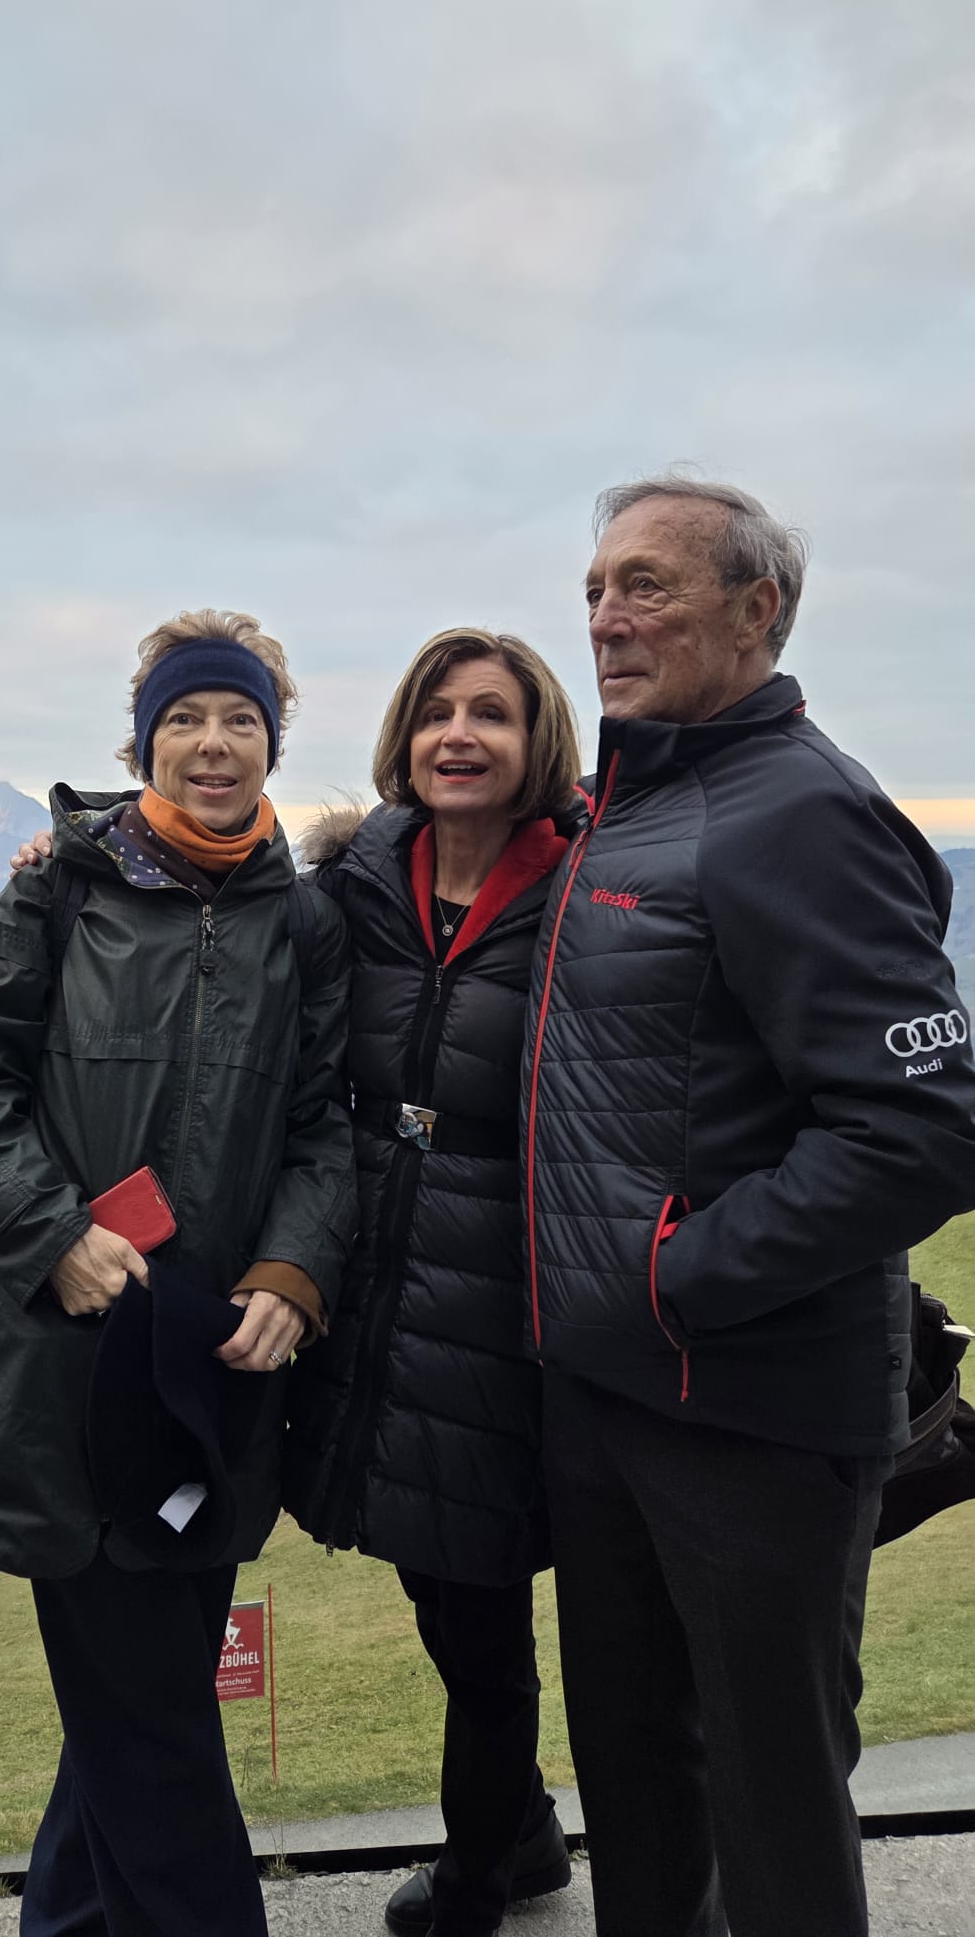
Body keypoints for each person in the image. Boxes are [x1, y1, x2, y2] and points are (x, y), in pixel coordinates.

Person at [525, 474, 975, 1937]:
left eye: (646, 585)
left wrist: (672, 1279)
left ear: (757, 608)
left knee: (770, 1803)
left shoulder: (803, 812)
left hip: (752, 1414)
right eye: (596, 589)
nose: (606, 617)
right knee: (636, 1783)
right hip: (615, 1399)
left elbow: (921, 1130)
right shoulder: (636, 805)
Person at [0, 609, 356, 1937]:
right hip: (69, 1361)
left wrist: (295, 1270)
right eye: (184, 720)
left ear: (273, 744)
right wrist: (52, 1237)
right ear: (142, 742)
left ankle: (66, 1922)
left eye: (241, 720)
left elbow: (323, 1126)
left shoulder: (303, 921)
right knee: (152, 1726)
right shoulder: (60, 889)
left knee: (142, 1698)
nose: (213, 745)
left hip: (216, 1360)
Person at [285, 629, 580, 1937]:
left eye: (492, 714)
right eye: (438, 712)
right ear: (404, 736)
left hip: (500, 1284)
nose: (460, 735)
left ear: (536, 741)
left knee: (481, 1602)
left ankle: (481, 1877)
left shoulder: (583, 887)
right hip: (372, 1271)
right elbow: (204, 889)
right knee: (435, 1581)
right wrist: (65, 856)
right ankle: (525, 1831)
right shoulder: (355, 881)